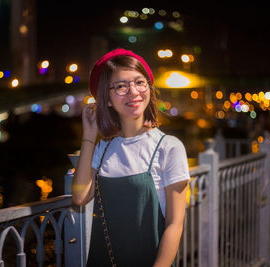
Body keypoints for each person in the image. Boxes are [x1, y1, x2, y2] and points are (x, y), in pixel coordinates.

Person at [72, 48, 190, 267]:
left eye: (139, 82)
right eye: (120, 86)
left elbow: (175, 225)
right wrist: (89, 134)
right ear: (106, 99)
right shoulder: (104, 148)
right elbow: (79, 197)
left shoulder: (168, 147)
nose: (133, 92)